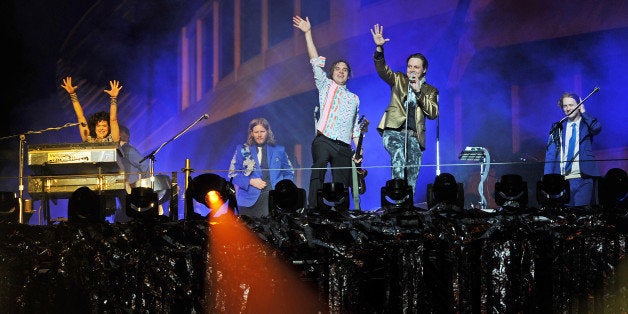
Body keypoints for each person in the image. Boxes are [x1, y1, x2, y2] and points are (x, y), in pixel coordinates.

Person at [293, 15, 362, 208]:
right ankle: (314, 209)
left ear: (349, 75)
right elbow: (315, 60)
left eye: (345, 69)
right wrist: (308, 33)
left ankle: (342, 216)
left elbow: (355, 127)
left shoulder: (354, 98)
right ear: (331, 72)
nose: (341, 71)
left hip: (343, 146)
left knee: (342, 183)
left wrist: (359, 147)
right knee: (319, 170)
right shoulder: (325, 85)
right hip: (324, 140)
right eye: (338, 68)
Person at [370, 23, 439, 197]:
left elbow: (433, 113)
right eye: (410, 66)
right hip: (393, 131)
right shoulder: (399, 79)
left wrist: (418, 92)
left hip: (414, 136)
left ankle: (407, 204)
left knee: (413, 172)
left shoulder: (430, 91)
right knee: (399, 156)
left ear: (424, 70)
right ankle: (397, 200)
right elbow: (382, 70)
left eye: (416, 67)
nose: (412, 70)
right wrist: (379, 48)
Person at [228, 118, 295, 217]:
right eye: (256, 132)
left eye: (262, 131)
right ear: (251, 133)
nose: (259, 135)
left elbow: (289, 172)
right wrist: (250, 181)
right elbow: (232, 174)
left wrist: (281, 188)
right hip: (247, 200)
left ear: (268, 132)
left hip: (272, 199)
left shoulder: (279, 150)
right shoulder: (242, 149)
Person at [544, 92, 602, 207]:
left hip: (583, 178)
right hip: (562, 180)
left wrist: (584, 112)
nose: (568, 109)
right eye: (565, 106)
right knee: (564, 217)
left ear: (579, 105)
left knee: (581, 214)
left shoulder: (586, 124)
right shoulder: (558, 127)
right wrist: (547, 179)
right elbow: (550, 154)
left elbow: (597, 128)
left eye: (571, 105)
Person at [61, 76, 121, 143]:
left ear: (109, 128)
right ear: (94, 128)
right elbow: (80, 117)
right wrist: (72, 94)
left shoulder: (113, 140)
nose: (101, 128)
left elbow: (113, 119)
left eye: (104, 126)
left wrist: (113, 97)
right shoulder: (88, 139)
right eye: (98, 126)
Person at [115, 125, 149, 222]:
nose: (120, 136)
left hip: (131, 187)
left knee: (130, 214)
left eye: (121, 133)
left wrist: (144, 186)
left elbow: (144, 165)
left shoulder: (126, 149)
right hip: (124, 186)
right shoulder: (119, 149)